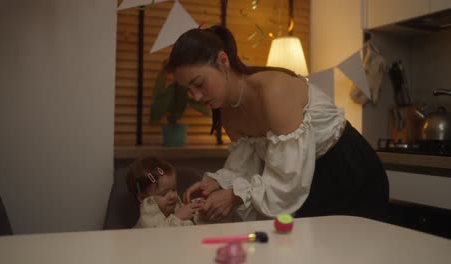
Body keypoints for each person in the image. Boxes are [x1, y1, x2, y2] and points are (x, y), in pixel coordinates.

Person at [166, 25, 389, 222]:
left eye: (199, 83)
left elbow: (287, 179)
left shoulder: (274, 91)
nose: (195, 96)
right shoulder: (228, 113)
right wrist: (219, 184)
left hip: (349, 172)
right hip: (306, 180)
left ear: (223, 61)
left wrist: (235, 195)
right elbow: (248, 166)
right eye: (189, 89)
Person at [126, 156, 204, 228]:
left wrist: (199, 212)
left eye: (174, 189)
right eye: (163, 194)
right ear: (143, 198)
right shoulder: (147, 214)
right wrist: (178, 217)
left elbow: (188, 220)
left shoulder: (174, 204)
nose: (172, 196)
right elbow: (156, 235)